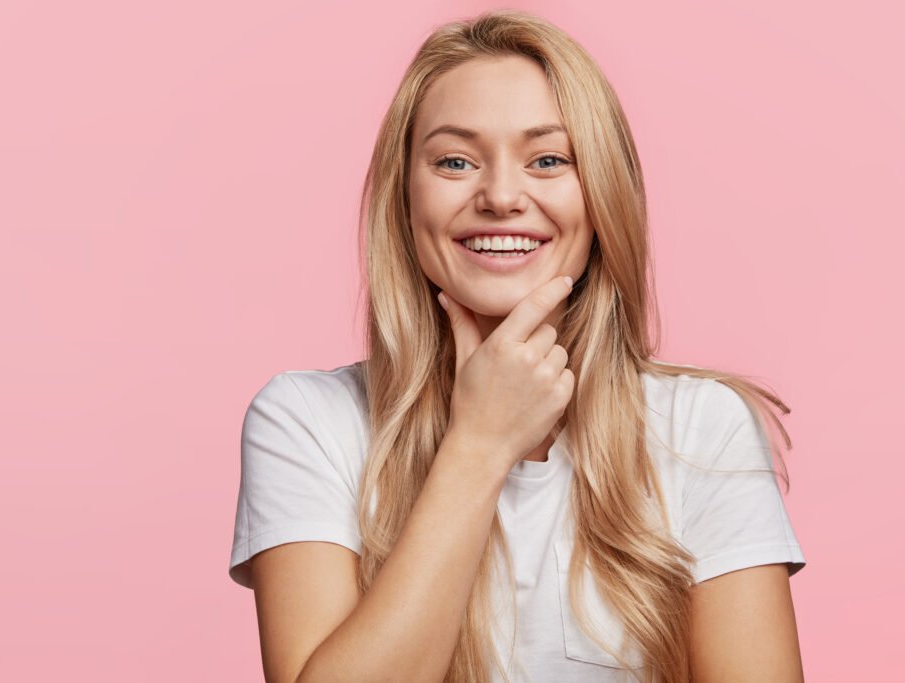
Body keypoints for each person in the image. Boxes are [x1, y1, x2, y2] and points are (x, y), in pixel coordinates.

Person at [229, 9, 807, 683]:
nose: (502, 196)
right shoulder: (306, 421)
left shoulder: (700, 428)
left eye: (549, 159)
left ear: (602, 195)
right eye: (454, 160)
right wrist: (479, 444)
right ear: (403, 196)